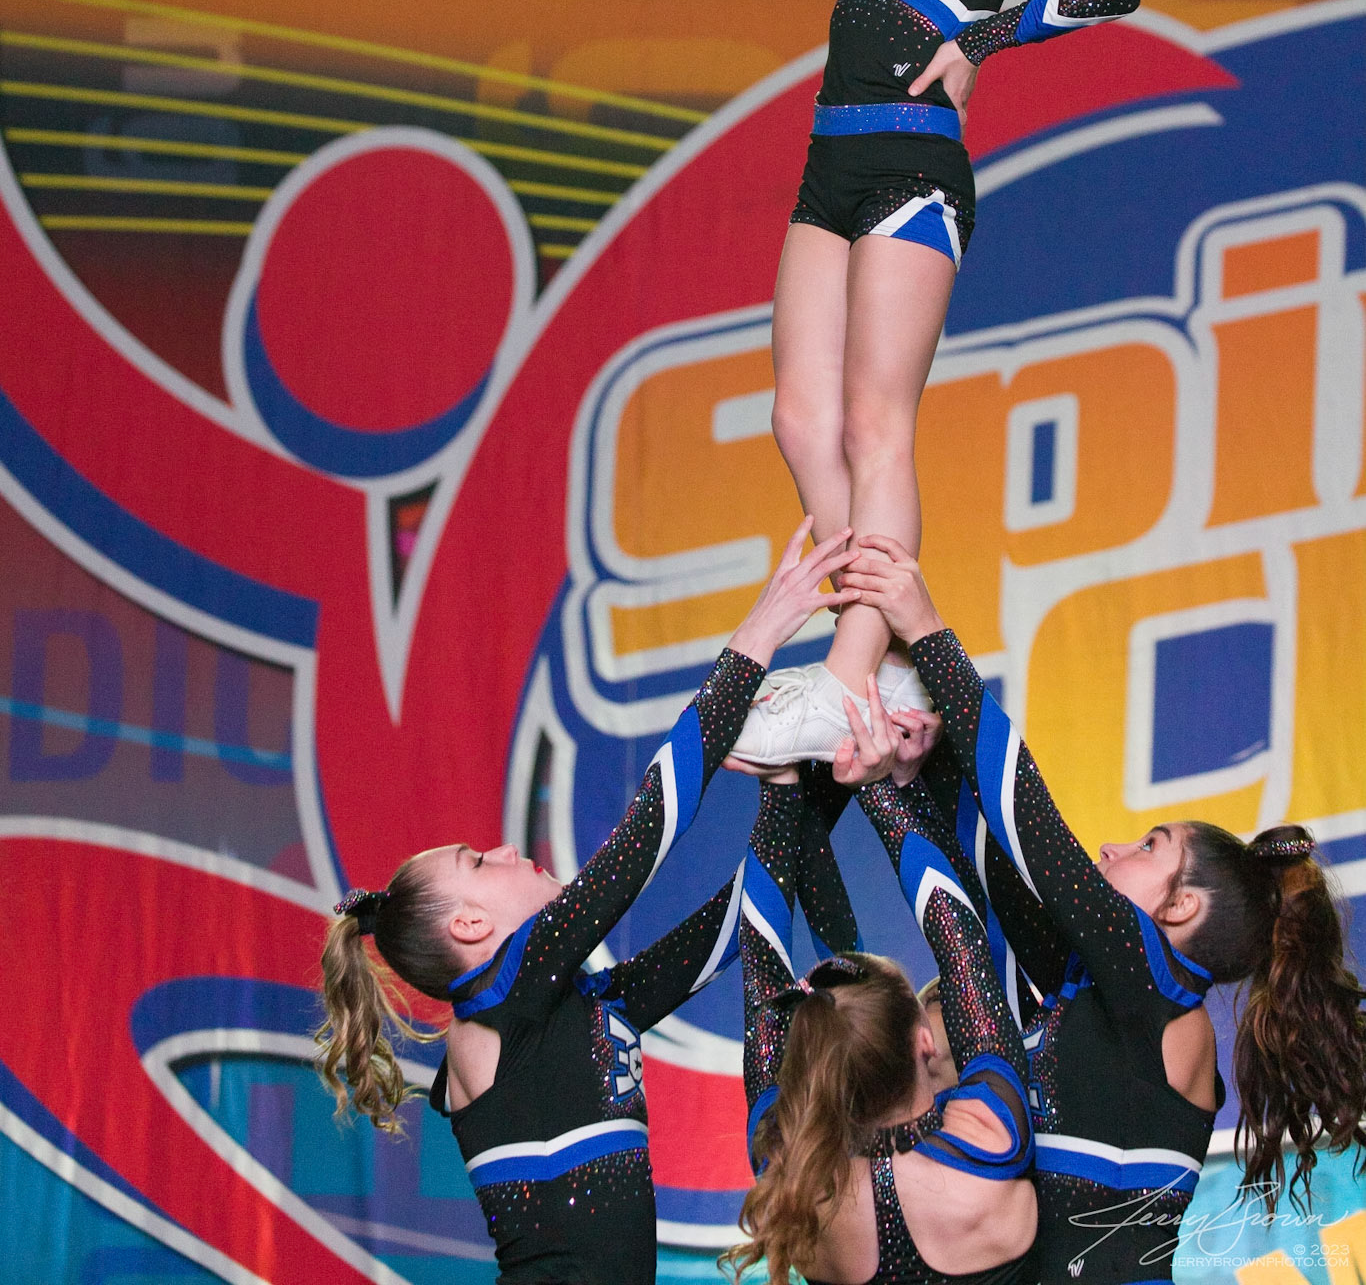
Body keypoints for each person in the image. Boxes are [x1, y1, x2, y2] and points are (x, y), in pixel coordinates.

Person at [732, 0, 1140, 767]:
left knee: (876, 425)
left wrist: (984, 36)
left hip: (913, 168)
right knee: (799, 421)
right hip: (828, 165)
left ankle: (848, 674)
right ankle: (885, 640)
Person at [316, 517, 855, 1285]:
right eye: (481, 861)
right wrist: (761, 632)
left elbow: (737, 920)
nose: (507, 849)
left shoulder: (582, 1007)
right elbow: (647, 834)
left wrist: (814, 777)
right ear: (471, 924)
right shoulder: (497, 1011)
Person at [850, 535, 1366, 1282]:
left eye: (1151, 846)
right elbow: (995, 892)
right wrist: (913, 775)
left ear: (1181, 904)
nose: (1113, 849)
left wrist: (928, 632)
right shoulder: (1099, 995)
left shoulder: (1165, 999)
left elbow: (1034, 833)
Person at [728, 718, 1037, 1285]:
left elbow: (759, 966)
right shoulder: (987, 1139)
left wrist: (780, 796)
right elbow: (962, 943)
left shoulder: (797, 1182)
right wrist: (878, 783)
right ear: (924, 1039)